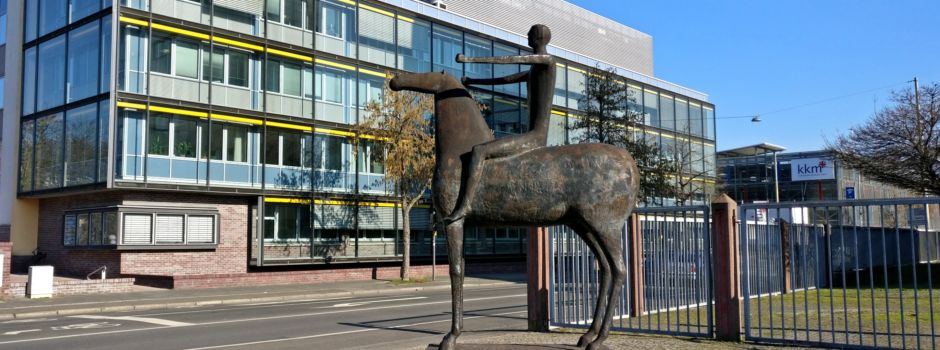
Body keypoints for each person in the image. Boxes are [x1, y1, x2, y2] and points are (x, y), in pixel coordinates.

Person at [445, 24, 556, 224]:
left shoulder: (547, 62)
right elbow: (504, 79)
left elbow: (509, 60)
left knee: (479, 151)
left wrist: (470, 59)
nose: (527, 37)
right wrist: (473, 81)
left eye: (529, 34)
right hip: (530, 134)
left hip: (535, 137)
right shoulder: (533, 70)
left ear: (538, 38)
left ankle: (465, 206)